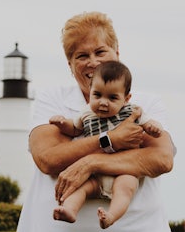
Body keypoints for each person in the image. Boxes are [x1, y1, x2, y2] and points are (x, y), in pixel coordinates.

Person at [17, 11, 175, 232]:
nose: (93, 62)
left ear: (117, 53)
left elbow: (161, 159)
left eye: (101, 51)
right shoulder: (53, 99)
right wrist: (112, 140)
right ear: (70, 66)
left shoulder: (143, 103)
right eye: (81, 56)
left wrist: (90, 163)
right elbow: (49, 158)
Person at [49, 60, 164, 229]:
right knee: (80, 189)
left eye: (112, 97)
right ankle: (69, 210)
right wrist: (61, 123)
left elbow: (149, 124)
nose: (103, 102)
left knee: (125, 190)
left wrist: (154, 128)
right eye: (97, 95)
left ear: (126, 99)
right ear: (90, 92)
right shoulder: (86, 113)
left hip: (124, 170)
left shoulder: (132, 111)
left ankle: (111, 216)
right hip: (95, 174)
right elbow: (74, 128)